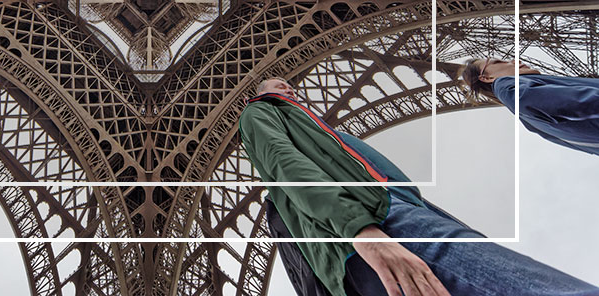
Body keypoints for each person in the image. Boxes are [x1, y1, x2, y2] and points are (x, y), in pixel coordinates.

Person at [240, 77, 599, 296]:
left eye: (286, 84)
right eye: (275, 85)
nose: (287, 86)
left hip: (381, 223)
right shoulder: (262, 111)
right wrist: (361, 231)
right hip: (377, 225)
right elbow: (284, 163)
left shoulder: (315, 129)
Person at [460, 58, 599, 156]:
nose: (516, 61)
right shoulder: (507, 87)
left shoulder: (534, 125)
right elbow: (575, 103)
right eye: (499, 62)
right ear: (486, 77)